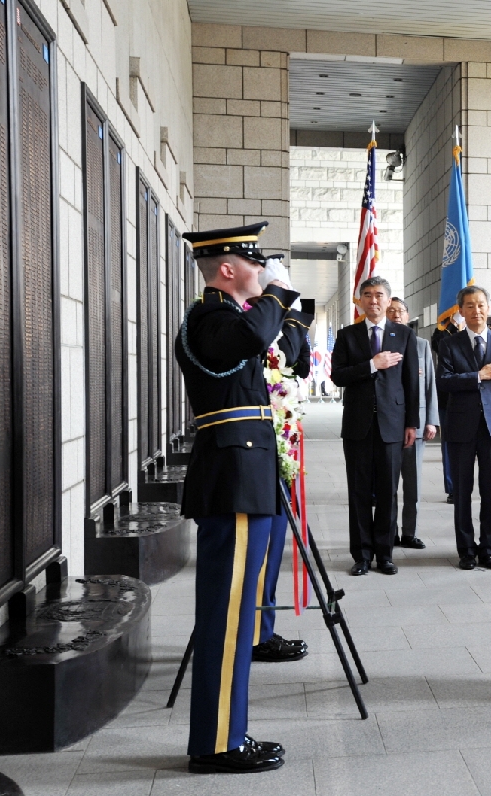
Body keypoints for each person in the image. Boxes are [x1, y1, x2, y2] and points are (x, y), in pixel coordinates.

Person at [176, 221, 292, 774]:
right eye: (254, 263)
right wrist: (274, 294)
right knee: (226, 617)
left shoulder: (229, 318)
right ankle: (218, 742)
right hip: (233, 477)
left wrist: (278, 304)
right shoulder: (210, 319)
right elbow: (249, 340)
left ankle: (226, 732)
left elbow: (275, 341)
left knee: (237, 615)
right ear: (228, 269)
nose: (262, 271)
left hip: (246, 473)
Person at [331, 276, 418, 577]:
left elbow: (411, 382)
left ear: (389, 300)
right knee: (358, 491)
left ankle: (385, 554)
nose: (373, 300)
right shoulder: (348, 335)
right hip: (357, 426)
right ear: (360, 300)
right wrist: (372, 364)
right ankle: (362, 555)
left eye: (379, 295)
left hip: (392, 426)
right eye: (367, 295)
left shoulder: (403, 334)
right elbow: (338, 376)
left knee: (388, 492)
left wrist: (412, 423)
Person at [253, 254, 312, 666]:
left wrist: (292, 321)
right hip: (257, 457)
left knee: (273, 547)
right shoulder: (248, 328)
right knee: (259, 550)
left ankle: (262, 629)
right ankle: (256, 633)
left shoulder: (277, 329)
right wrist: (285, 319)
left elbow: (300, 365)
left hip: (279, 448)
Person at [437, 286, 491, 570]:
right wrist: (477, 376)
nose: (476, 310)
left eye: (481, 304)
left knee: (490, 492)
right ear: (461, 311)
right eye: (470, 305)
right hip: (460, 426)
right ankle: (466, 550)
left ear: (488, 307)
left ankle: (488, 548)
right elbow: (444, 382)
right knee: (462, 492)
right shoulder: (449, 344)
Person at [386, 298, 438, 551]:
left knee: (412, 485)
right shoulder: (380, 344)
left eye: (401, 311)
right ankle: (389, 533)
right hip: (388, 425)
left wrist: (431, 420)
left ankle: (409, 532)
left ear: (408, 315)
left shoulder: (421, 345)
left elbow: (430, 385)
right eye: (391, 311)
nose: (396, 315)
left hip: (415, 426)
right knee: (388, 485)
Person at [432, 317, 465, 504]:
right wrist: (452, 324)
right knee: (449, 445)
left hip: (478, 402)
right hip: (449, 399)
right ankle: (453, 488)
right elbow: (438, 343)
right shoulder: (443, 333)